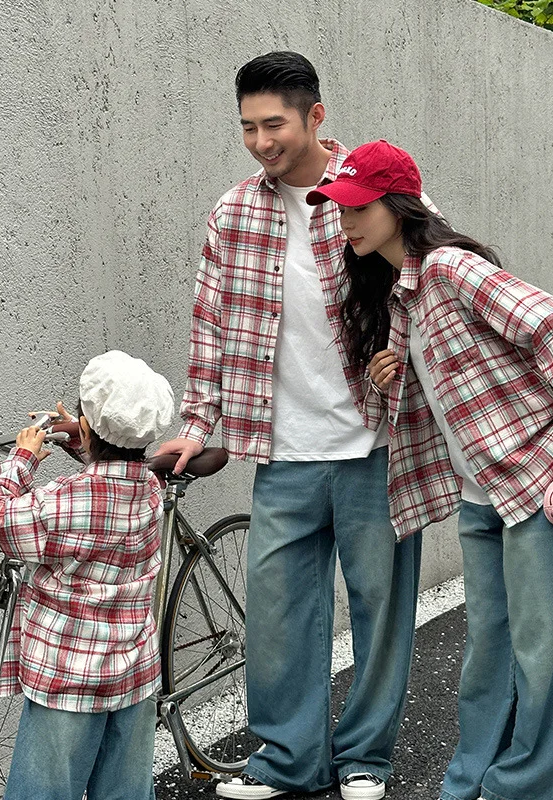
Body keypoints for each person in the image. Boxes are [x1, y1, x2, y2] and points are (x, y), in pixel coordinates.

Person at [156, 53, 429, 800]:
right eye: (246, 126)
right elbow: (210, 327)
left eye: (272, 123)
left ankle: (366, 757)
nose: (259, 141)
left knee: (380, 612)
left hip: (375, 446)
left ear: (315, 116)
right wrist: (198, 421)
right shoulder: (234, 211)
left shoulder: (376, 189)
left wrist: (399, 360)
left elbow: (428, 288)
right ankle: (288, 760)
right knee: (279, 618)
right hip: (282, 450)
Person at [306, 139, 553, 800]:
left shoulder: (447, 269)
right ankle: (471, 780)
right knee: (487, 657)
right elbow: (418, 409)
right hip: (482, 499)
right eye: (339, 206)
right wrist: (388, 379)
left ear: (399, 205)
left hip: (533, 486)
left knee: (543, 653)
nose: (347, 219)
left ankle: (523, 787)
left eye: (359, 206)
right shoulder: (401, 302)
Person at [0, 350, 175, 800]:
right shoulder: (150, 489)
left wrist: (21, 459)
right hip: (134, 674)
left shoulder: (58, 501)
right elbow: (109, 477)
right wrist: (83, 440)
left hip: (69, 680)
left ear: (87, 427)